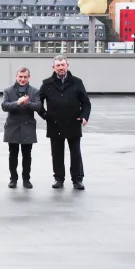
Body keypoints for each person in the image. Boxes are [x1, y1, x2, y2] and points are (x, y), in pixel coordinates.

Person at [39, 55, 92, 190]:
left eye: (63, 65)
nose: (61, 67)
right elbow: (37, 101)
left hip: (73, 122)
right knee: (57, 153)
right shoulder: (47, 83)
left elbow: (86, 103)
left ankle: (77, 179)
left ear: (67, 65)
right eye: (58, 65)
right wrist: (45, 115)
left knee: (75, 153)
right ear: (53, 67)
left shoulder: (77, 82)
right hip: (54, 123)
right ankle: (59, 179)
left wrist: (84, 116)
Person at [1, 67, 42, 189]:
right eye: (20, 77)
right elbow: (4, 106)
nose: (22, 79)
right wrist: (17, 103)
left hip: (28, 126)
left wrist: (27, 103)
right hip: (13, 126)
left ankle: (26, 179)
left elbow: (38, 106)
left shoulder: (34, 91)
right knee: (12, 154)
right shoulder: (8, 91)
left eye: (25, 77)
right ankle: (13, 178)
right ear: (16, 76)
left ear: (29, 77)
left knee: (27, 154)